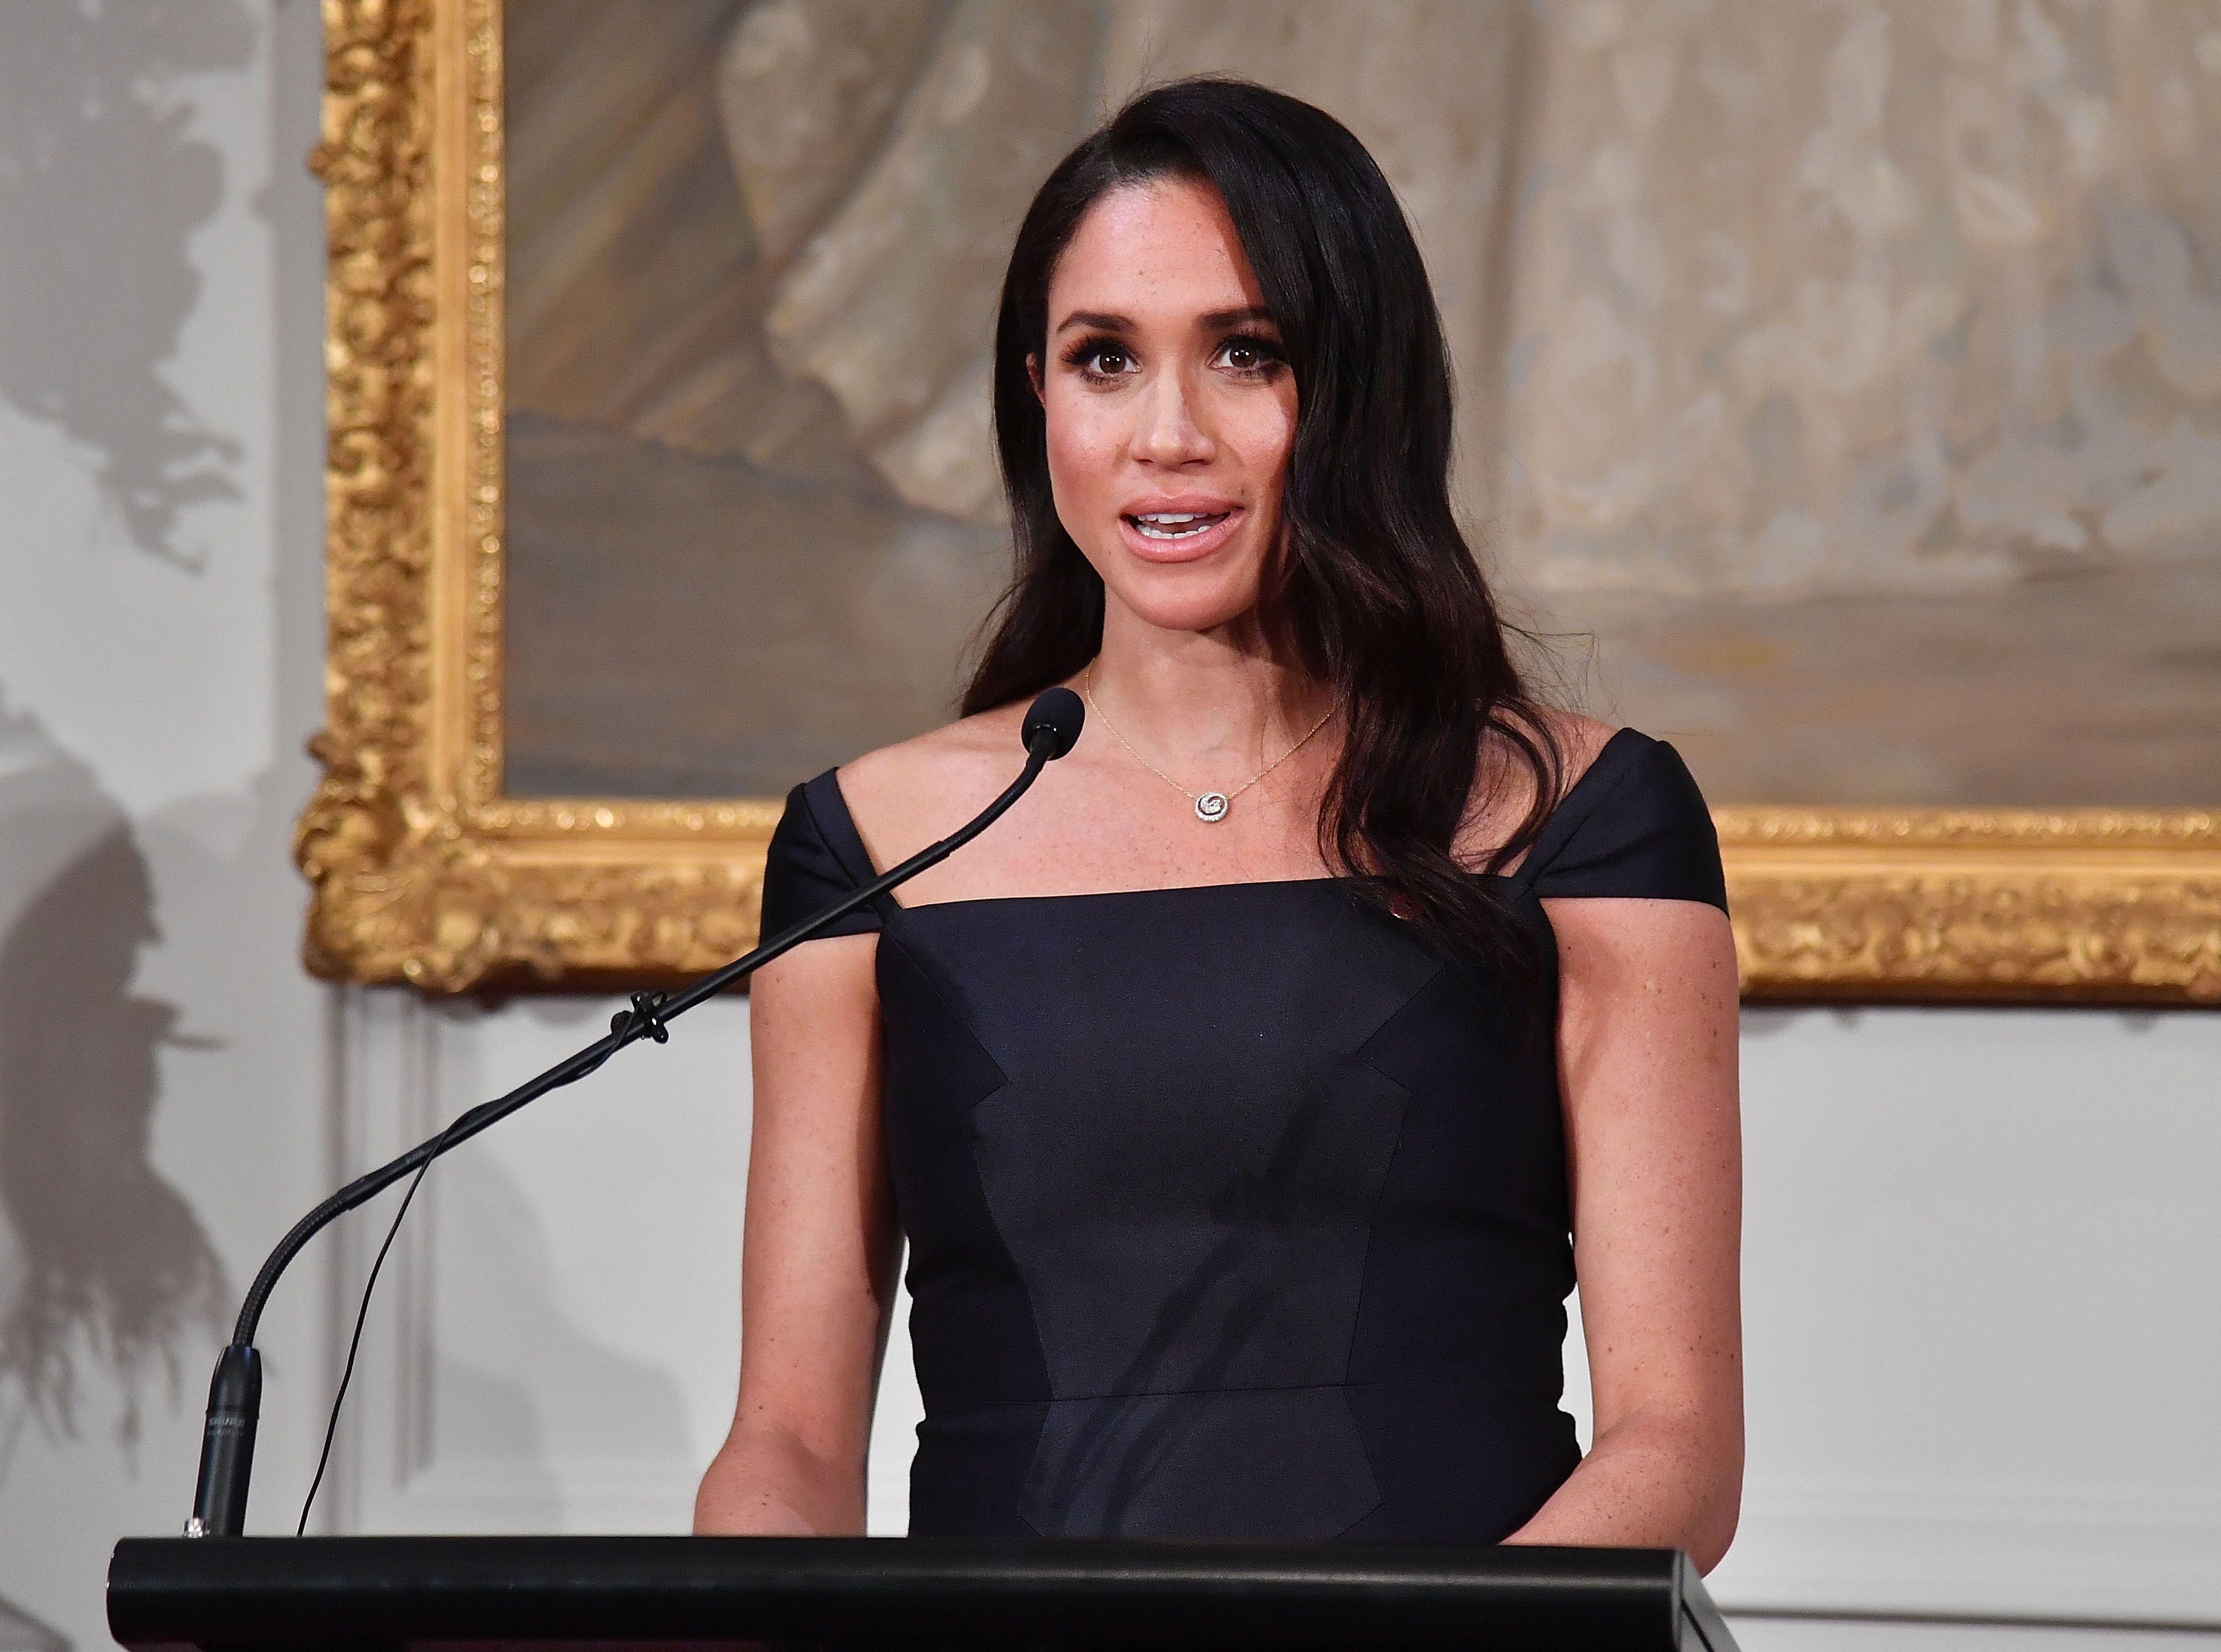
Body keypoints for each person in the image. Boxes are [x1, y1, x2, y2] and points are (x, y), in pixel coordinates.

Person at [694, 77, 1741, 1562]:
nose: (1164, 435)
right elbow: (785, 1440)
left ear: (1361, 389)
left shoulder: (1577, 817)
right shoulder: (872, 840)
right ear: (1035, 399)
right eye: (1103, 359)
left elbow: (1679, 1446)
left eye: (1246, 355)